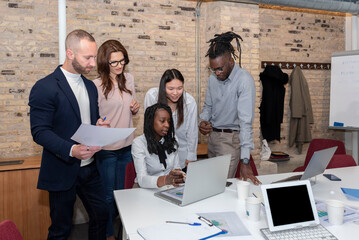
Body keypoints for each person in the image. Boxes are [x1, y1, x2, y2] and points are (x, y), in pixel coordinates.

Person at [29, 29, 109, 239]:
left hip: (90, 168)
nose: (93, 63)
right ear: (70, 53)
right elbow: (39, 131)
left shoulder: (91, 87)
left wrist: (98, 126)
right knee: (60, 229)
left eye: (94, 56)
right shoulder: (45, 87)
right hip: (61, 168)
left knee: (102, 215)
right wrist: (71, 150)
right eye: (88, 57)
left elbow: (90, 121)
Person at [199, 31, 261, 185]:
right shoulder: (213, 79)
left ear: (231, 61)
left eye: (220, 68)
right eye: (213, 69)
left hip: (230, 141)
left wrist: (245, 161)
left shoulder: (244, 81)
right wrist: (203, 121)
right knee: (210, 184)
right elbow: (208, 106)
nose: (217, 73)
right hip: (212, 138)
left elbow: (246, 123)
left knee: (221, 187)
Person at [94, 39, 140, 240]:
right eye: (114, 62)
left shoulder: (128, 79)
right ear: (105, 63)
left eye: (122, 61)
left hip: (126, 146)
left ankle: (124, 232)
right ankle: (107, 233)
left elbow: (131, 108)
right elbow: (92, 118)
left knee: (124, 194)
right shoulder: (96, 85)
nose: (120, 65)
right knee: (107, 196)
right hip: (106, 150)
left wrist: (135, 108)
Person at [144, 69, 198, 170]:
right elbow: (149, 128)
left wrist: (191, 156)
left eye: (179, 88)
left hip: (181, 154)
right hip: (156, 154)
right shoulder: (152, 96)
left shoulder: (189, 102)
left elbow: (192, 132)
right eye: (171, 89)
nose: (175, 93)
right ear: (163, 87)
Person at [131, 103, 185, 188]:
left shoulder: (172, 140)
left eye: (169, 121)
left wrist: (178, 175)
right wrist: (165, 180)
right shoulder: (139, 143)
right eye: (162, 121)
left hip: (168, 187)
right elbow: (142, 179)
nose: (167, 125)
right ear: (151, 121)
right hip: (144, 188)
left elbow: (177, 167)